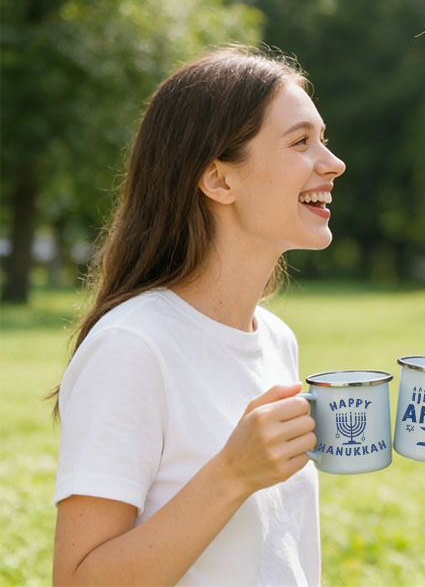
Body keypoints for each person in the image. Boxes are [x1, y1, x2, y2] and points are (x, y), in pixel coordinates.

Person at [52, 46, 345, 586]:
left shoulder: (276, 340)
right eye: (301, 142)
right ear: (219, 180)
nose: (333, 162)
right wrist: (232, 474)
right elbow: (78, 579)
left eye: (323, 140)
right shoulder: (132, 346)